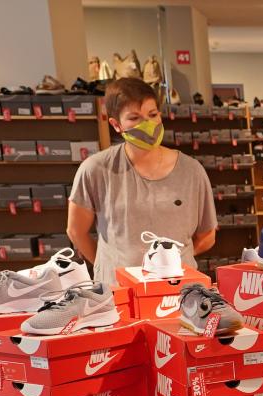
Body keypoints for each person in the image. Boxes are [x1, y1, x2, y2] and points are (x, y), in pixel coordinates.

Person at [67, 77, 217, 284]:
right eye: (134, 118)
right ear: (116, 124)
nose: (147, 124)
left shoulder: (192, 171)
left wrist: (174, 261)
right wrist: (109, 267)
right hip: (119, 292)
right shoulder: (95, 170)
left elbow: (207, 236)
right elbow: (76, 231)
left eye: (152, 114)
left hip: (179, 290)